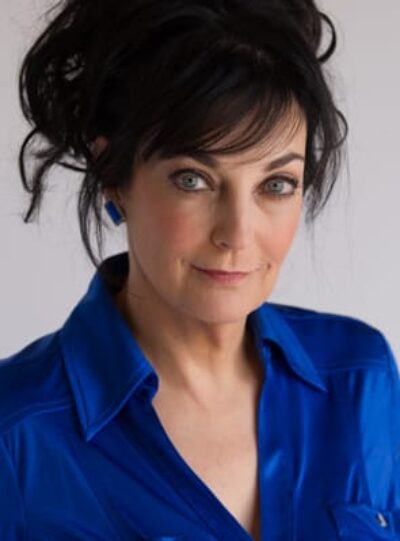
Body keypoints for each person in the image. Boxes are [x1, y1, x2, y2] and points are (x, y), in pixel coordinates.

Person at [1, 0, 399, 539]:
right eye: (193, 179)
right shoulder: (16, 431)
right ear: (113, 175)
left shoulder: (360, 377)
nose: (238, 233)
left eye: (276, 185)